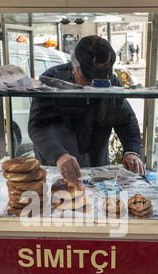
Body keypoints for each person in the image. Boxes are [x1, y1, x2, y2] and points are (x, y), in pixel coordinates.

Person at [28, 35, 145, 180]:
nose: (93, 85)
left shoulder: (112, 82)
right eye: (88, 78)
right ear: (73, 67)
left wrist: (131, 151)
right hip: (55, 169)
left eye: (101, 79)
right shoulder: (51, 79)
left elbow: (126, 121)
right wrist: (59, 155)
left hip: (97, 170)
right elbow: (36, 126)